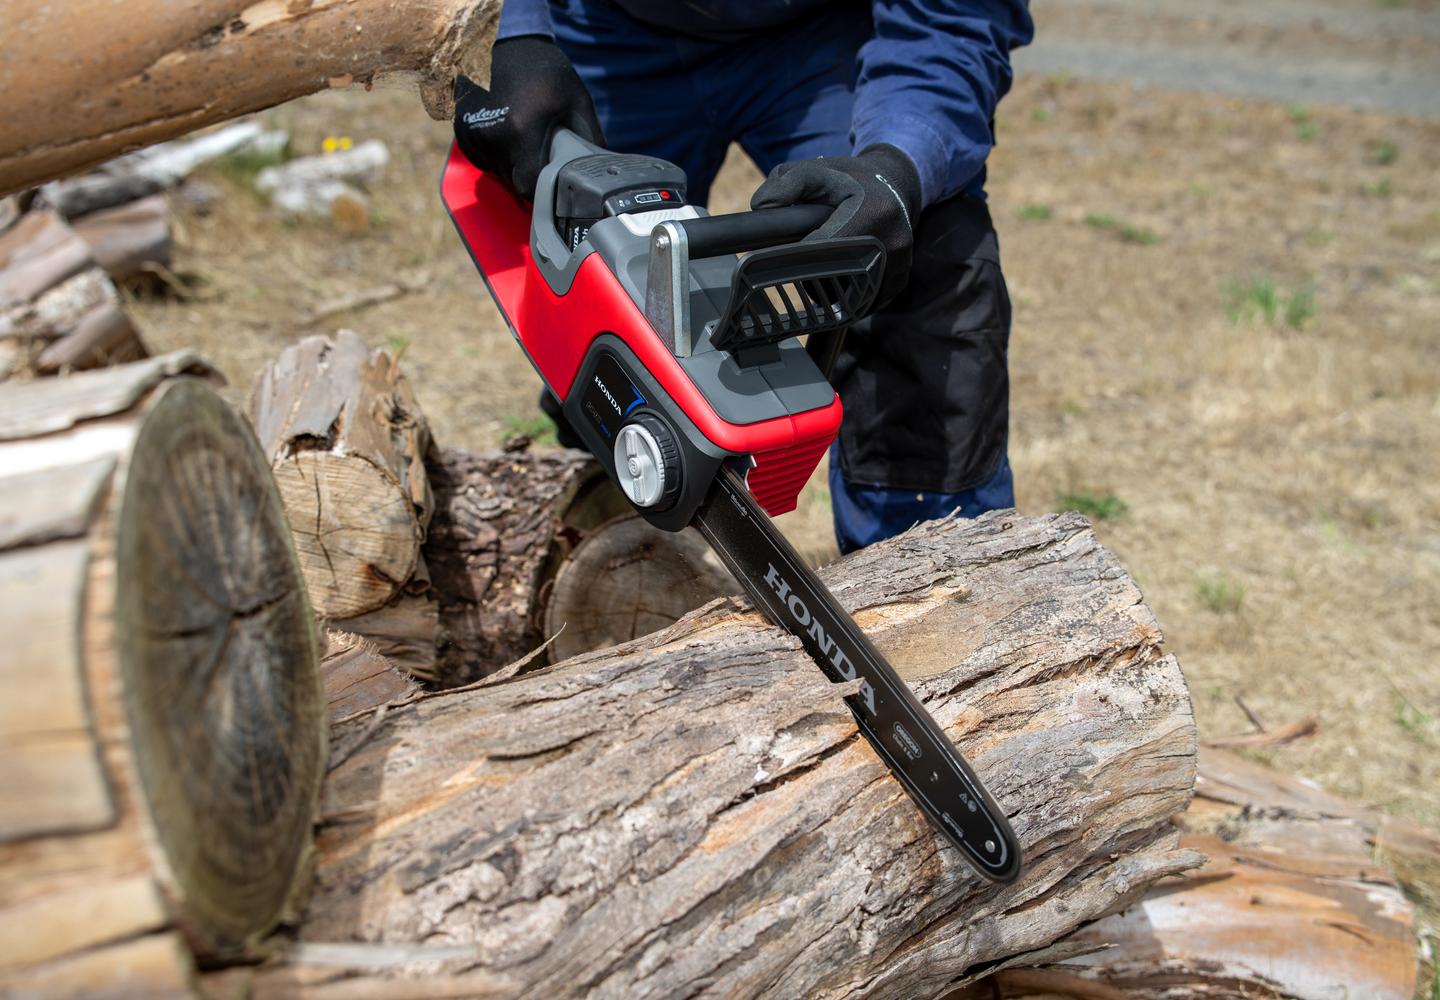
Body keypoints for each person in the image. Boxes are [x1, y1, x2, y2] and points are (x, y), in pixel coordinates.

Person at [454, 1, 1033, 554]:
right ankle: (619, 554)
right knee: (598, 274)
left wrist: (898, 166)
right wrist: (510, 29)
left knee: (913, 244)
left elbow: (954, 17)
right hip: (611, 30)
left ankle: (942, 562)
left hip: (817, 35)